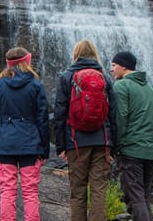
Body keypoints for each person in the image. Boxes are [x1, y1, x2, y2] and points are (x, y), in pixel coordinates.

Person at [54, 39, 117, 221]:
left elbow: (60, 113)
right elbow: (113, 114)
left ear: (76, 54)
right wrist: (113, 145)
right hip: (101, 141)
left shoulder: (66, 77)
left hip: (75, 142)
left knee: (78, 191)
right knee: (99, 190)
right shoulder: (104, 78)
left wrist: (61, 146)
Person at [0, 47, 49, 221]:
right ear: (26, 61)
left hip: (4, 144)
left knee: (7, 190)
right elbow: (42, 119)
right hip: (30, 143)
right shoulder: (36, 84)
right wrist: (44, 149)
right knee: (30, 192)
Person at [110, 51, 153, 221]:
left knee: (134, 196)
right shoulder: (151, 88)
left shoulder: (121, 86)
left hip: (131, 150)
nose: (111, 69)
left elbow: (120, 117)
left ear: (124, 66)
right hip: (149, 150)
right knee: (144, 196)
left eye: (114, 65)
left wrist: (117, 146)